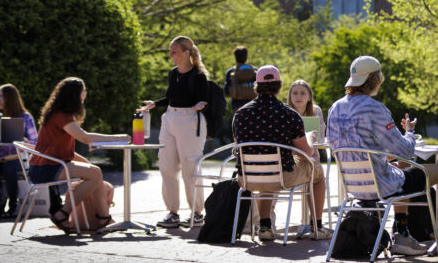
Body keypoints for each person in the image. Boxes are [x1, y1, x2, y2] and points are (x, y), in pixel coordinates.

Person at [327, 56, 438, 257]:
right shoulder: (374, 108)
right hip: (382, 185)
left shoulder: (335, 108)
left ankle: (403, 237)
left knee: (402, 166)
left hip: (354, 187)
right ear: (376, 79)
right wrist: (410, 132)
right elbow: (405, 150)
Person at [232, 64, 332, 241]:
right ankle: (317, 226)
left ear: (257, 85)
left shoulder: (240, 114)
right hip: (282, 177)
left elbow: (237, 145)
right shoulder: (289, 114)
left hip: (247, 178)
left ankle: (265, 226)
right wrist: (310, 138)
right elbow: (305, 153)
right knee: (317, 171)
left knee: (265, 169)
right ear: (279, 86)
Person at [29, 77, 129, 233]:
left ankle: (104, 218)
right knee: (95, 173)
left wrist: (86, 163)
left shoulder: (58, 114)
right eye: (84, 91)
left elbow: (61, 150)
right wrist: (118, 138)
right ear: (75, 95)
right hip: (45, 169)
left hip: (47, 166)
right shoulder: (61, 116)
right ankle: (63, 214)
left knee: (94, 171)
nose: (86, 94)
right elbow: (84, 137)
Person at [139, 36, 210, 229]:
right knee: (167, 166)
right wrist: (154, 104)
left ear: (186, 53)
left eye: (174, 52)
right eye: (170, 52)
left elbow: (204, 99)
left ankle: (197, 213)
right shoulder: (173, 73)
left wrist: (201, 104)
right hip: (170, 118)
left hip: (190, 121)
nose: (171, 56)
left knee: (190, 168)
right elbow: (171, 97)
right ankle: (172, 212)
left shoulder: (198, 75)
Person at [0, 83, 38, 215]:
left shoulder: (25, 117)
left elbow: (35, 143)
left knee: (10, 167)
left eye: (1, 96)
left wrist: (24, 140)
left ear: (11, 98)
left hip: (18, 158)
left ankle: (13, 207)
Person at [223, 45, 256, 112]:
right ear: (246, 57)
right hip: (253, 104)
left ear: (235, 57)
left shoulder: (230, 72)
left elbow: (226, 91)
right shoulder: (254, 70)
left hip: (237, 105)